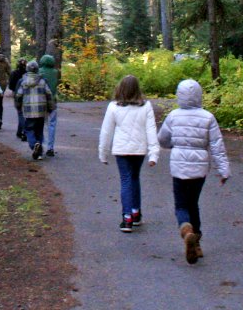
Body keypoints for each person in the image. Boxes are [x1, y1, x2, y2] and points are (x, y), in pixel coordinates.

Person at [157, 79, 230, 264]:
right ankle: (196, 242)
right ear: (199, 95)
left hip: (179, 166)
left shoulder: (173, 116)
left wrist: (175, 144)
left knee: (181, 205)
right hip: (199, 168)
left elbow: (163, 139)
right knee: (194, 203)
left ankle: (186, 231)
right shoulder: (208, 117)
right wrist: (224, 170)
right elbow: (216, 145)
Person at [98, 75, 159, 233]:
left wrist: (103, 153)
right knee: (134, 177)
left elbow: (106, 131)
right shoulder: (146, 106)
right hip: (139, 150)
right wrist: (153, 154)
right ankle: (135, 212)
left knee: (126, 180)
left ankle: (127, 218)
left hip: (122, 150)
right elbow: (151, 130)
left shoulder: (114, 106)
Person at [15, 60, 54, 160]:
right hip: (41, 110)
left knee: (29, 130)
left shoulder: (23, 81)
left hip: (28, 111)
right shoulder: (42, 80)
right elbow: (49, 94)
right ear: (37, 69)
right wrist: (51, 107)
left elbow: (19, 95)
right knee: (39, 131)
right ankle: (39, 153)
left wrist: (18, 106)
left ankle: (34, 145)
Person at [39, 54, 59, 156]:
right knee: (52, 124)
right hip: (53, 101)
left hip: (41, 101)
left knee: (41, 123)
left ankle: (40, 144)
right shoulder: (56, 73)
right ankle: (50, 147)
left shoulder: (39, 72)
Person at [7, 58, 28, 140]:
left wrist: (14, 90)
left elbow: (11, 85)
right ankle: (19, 132)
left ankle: (24, 131)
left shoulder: (14, 73)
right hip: (27, 95)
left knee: (20, 113)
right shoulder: (27, 74)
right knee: (22, 114)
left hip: (17, 95)